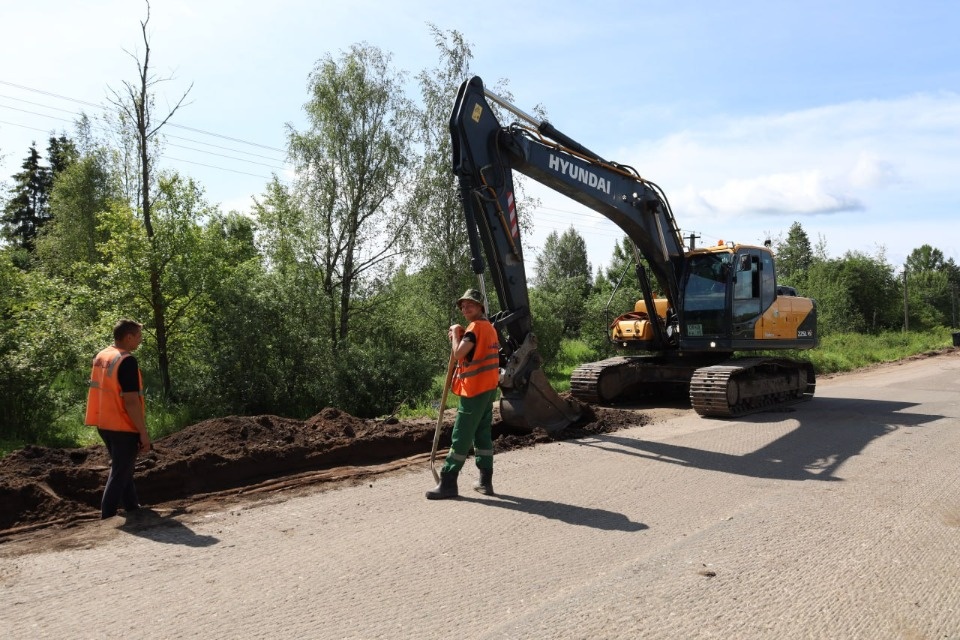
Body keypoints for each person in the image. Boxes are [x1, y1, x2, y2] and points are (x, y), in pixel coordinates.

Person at [426, 289, 501, 500]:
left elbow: (459, 353)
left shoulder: (475, 328)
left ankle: (448, 481)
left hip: (475, 389)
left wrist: (455, 335)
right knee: (482, 434)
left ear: (481, 307)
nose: (465, 308)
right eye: (463, 305)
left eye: (470, 304)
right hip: (488, 389)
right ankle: (485, 482)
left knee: (461, 434)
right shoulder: (490, 329)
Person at [85, 319, 151, 519]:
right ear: (128, 337)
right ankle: (107, 517)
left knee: (124, 468)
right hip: (123, 425)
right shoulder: (126, 360)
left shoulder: (103, 355)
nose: (140, 341)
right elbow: (131, 401)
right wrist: (142, 431)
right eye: (138, 337)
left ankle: (132, 507)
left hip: (104, 423)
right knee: (119, 472)